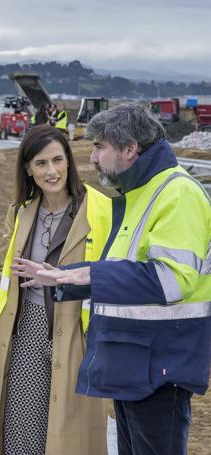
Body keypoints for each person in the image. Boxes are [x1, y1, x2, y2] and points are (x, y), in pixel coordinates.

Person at [13, 104, 211, 455]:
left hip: (160, 362)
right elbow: (127, 270)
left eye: (100, 148)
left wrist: (76, 273)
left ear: (130, 149)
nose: (92, 159)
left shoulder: (177, 194)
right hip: (135, 358)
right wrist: (64, 281)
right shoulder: (141, 193)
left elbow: (170, 280)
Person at [0, 125, 111, 455]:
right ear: (28, 169)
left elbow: (113, 275)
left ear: (69, 161)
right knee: (21, 425)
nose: (51, 171)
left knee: (68, 430)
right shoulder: (21, 212)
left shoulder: (101, 210)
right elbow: (3, 269)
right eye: (41, 163)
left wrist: (59, 277)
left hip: (76, 335)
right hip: (25, 328)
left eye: (57, 160)